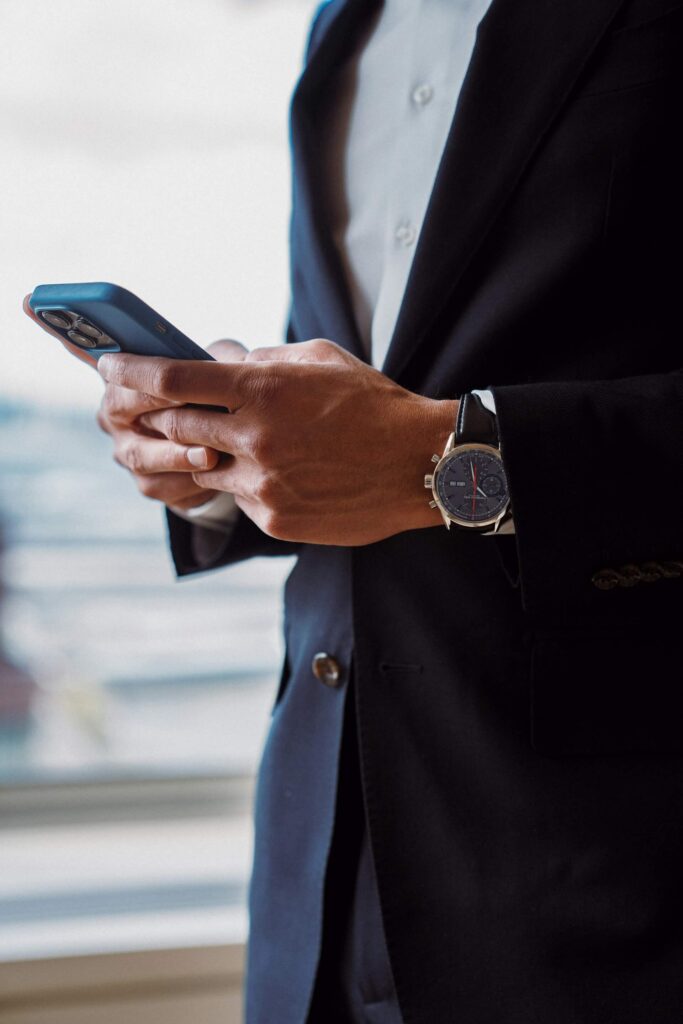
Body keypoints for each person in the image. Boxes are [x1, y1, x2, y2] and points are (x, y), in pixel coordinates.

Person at [94, 0, 683, 1021]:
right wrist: (218, 458)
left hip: (614, 881)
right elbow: (362, 383)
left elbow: (412, 435)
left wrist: (449, 459)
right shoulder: (338, 23)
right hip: (314, 867)